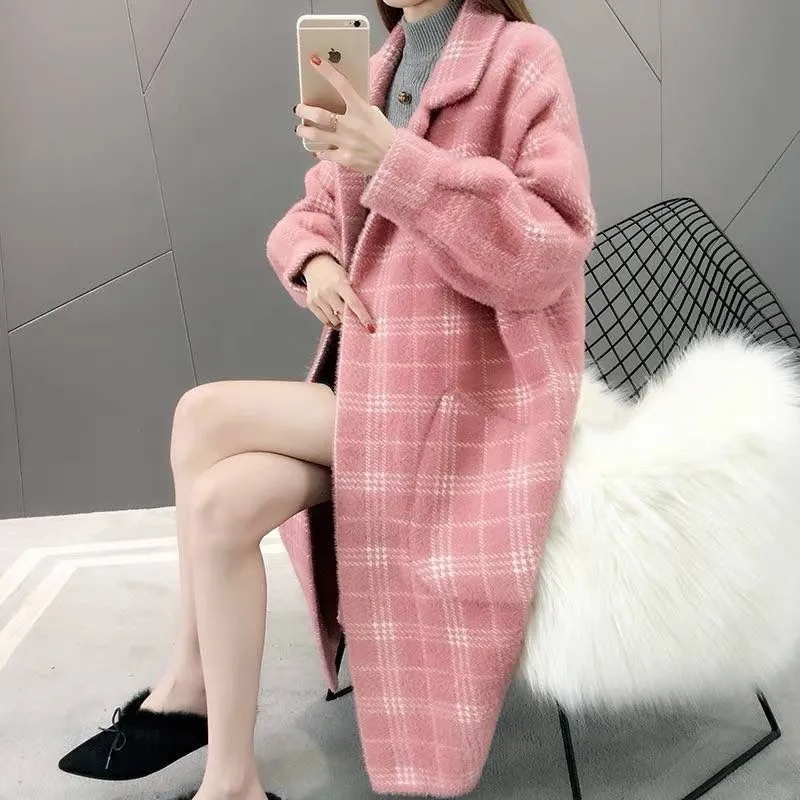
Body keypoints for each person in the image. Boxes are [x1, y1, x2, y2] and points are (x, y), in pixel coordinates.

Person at [58, 1, 596, 798]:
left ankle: (189, 688)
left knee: (199, 415)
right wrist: (315, 262)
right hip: (378, 391)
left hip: (470, 400)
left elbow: (549, 246)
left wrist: (396, 160)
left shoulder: (523, 56)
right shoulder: (377, 70)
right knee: (222, 501)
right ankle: (232, 779)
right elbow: (311, 212)